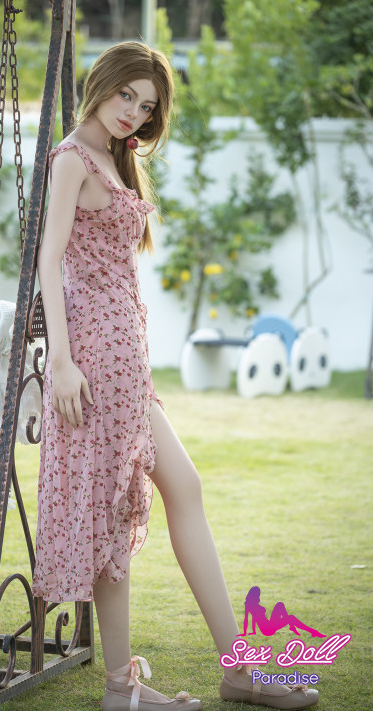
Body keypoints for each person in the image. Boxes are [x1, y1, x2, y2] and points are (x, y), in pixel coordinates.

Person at [32, 41, 319, 711]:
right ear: (102, 83)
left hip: (126, 362)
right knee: (114, 516)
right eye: (126, 95)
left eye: (147, 106)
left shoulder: (116, 157)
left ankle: (239, 671)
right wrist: (62, 363)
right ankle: (122, 688)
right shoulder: (72, 158)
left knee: (183, 488)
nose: (134, 113)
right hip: (93, 364)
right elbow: (49, 260)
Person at [238, 587, 326, 639]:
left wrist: (253, 631)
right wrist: (245, 632)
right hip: (267, 630)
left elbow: (254, 619)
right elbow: (247, 619)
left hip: (269, 624)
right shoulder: (249, 605)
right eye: (258, 594)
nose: (259, 596)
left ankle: (292, 626)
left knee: (280, 604)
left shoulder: (253, 604)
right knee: (291, 617)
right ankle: (312, 631)